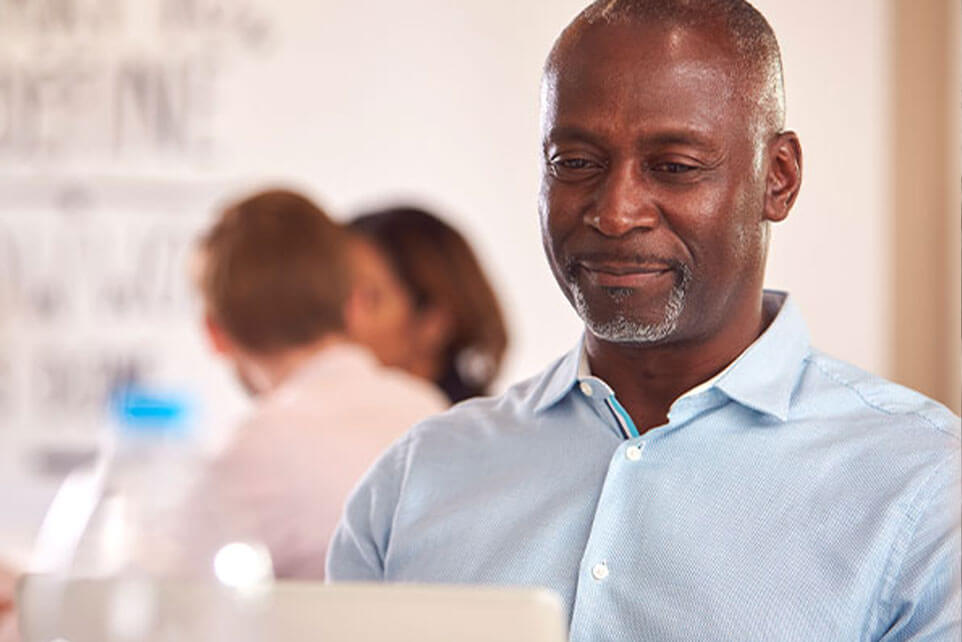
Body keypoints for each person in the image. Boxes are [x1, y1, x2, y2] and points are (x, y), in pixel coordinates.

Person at [327, 1, 961, 640]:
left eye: (675, 167)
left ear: (779, 178)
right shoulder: (418, 479)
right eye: (576, 163)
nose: (616, 212)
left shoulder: (921, 488)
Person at [186, 189, 447, 579]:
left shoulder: (253, 450)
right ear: (354, 304)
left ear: (214, 334)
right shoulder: (430, 409)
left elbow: (165, 601)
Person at [347, 207, 508, 404]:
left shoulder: (464, 430)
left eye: (371, 299)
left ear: (434, 322)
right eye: (334, 293)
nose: (341, 316)